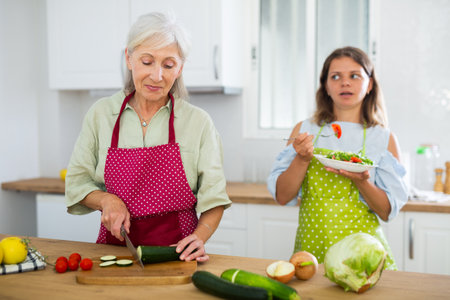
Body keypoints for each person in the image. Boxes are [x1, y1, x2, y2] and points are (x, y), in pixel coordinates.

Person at [65, 12, 231, 262]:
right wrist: (106, 200)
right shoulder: (101, 114)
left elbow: (214, 198)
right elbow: (77, 182)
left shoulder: (198, 123)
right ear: (129, 59)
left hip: (177, 255)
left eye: (168, 65)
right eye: (147, 61)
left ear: (180, 68)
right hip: (115, 252)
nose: (157, 76)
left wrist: (200, 236)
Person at [267, 46, 408, 270]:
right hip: (312, 252)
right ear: (325, 86)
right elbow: (283, 196)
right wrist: (301, 159)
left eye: (354, 76)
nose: (345, 83)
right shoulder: (304, 130)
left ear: (369, 84)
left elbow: (386, 212)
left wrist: (361, 180)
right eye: (335, 77)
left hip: (365, 257)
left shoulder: (384, 138)